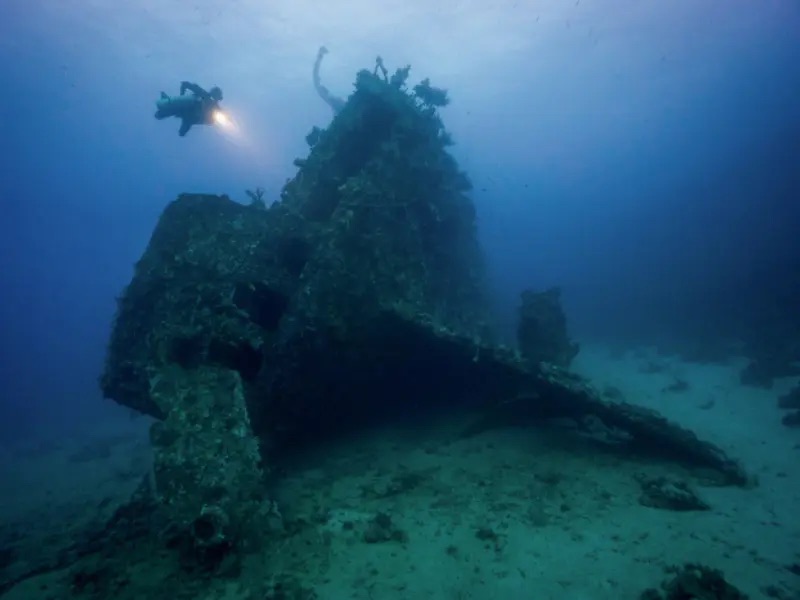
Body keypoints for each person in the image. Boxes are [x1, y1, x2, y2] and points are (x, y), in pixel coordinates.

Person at [154, 82, 224, 136]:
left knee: (182, 131)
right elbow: (185, 84)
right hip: (187, 111)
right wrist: (182, 95)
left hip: (191, 117)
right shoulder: (203, 94)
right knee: (161, 114)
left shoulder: (216, 107)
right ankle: (165, 103)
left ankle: (165, 106)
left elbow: (185, 84)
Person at [313, 47, 345, 114]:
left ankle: (320, 54)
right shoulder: (333, 101)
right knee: (317, 85)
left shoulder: (332, 101)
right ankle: (320, 54)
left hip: (335, 103)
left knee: (317, 85)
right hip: (335, 103)